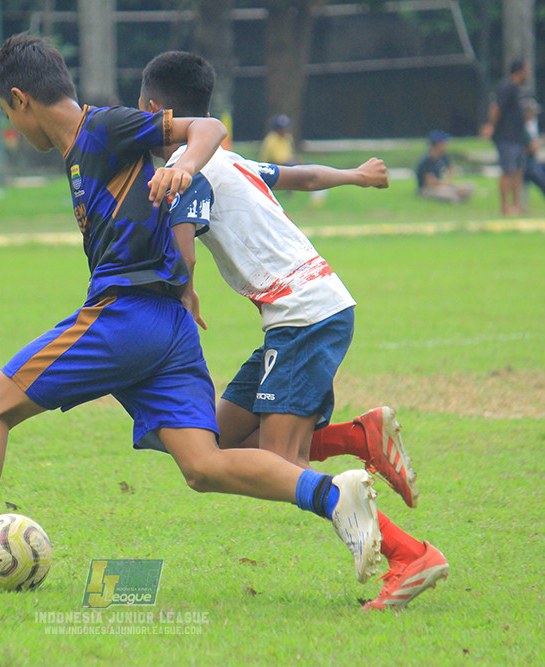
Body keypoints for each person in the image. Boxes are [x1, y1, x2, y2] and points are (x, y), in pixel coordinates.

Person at [0, 34, 383, 598]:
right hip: (169, 327)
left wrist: (184, 166)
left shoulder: (100, 127)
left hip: (127, 317)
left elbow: (208, 130)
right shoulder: (81, 151)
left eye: (5, 114)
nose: (12, 128)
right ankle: (335, 497)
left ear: (20, 99)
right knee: (203, 466)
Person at [138, 50, 449, 611]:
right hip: (301, 313)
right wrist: (356, 175)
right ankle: (360, 437)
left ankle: (411, 556)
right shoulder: (225, 160)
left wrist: (179, 292)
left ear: (155, 110)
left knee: (284, 467)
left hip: (304, 314)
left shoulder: (186, 170)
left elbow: (181, 259)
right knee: (218, 441)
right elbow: (299, 175)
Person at [484, 59, 530, 215]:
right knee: (508, 171)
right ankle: (505, 207)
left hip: (517, 137)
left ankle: (517, 205)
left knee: (518, 171)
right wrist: (491, 126)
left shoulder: (517, 89)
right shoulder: (506, 86)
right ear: (521, 71)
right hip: (506, 136)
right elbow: (496, 108)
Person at [415, 130, 475, 204]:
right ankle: (456, 198)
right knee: (449, 195)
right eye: (444, 142)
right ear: (437, 144)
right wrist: (452, 186)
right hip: (427, 188)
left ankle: (458, 196)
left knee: (469, 186)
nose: (446, 145)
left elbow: (450, 167)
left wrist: (450, 180)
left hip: (441, 185)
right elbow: (431, 182)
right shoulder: (426, 160)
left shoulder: (442, 156)